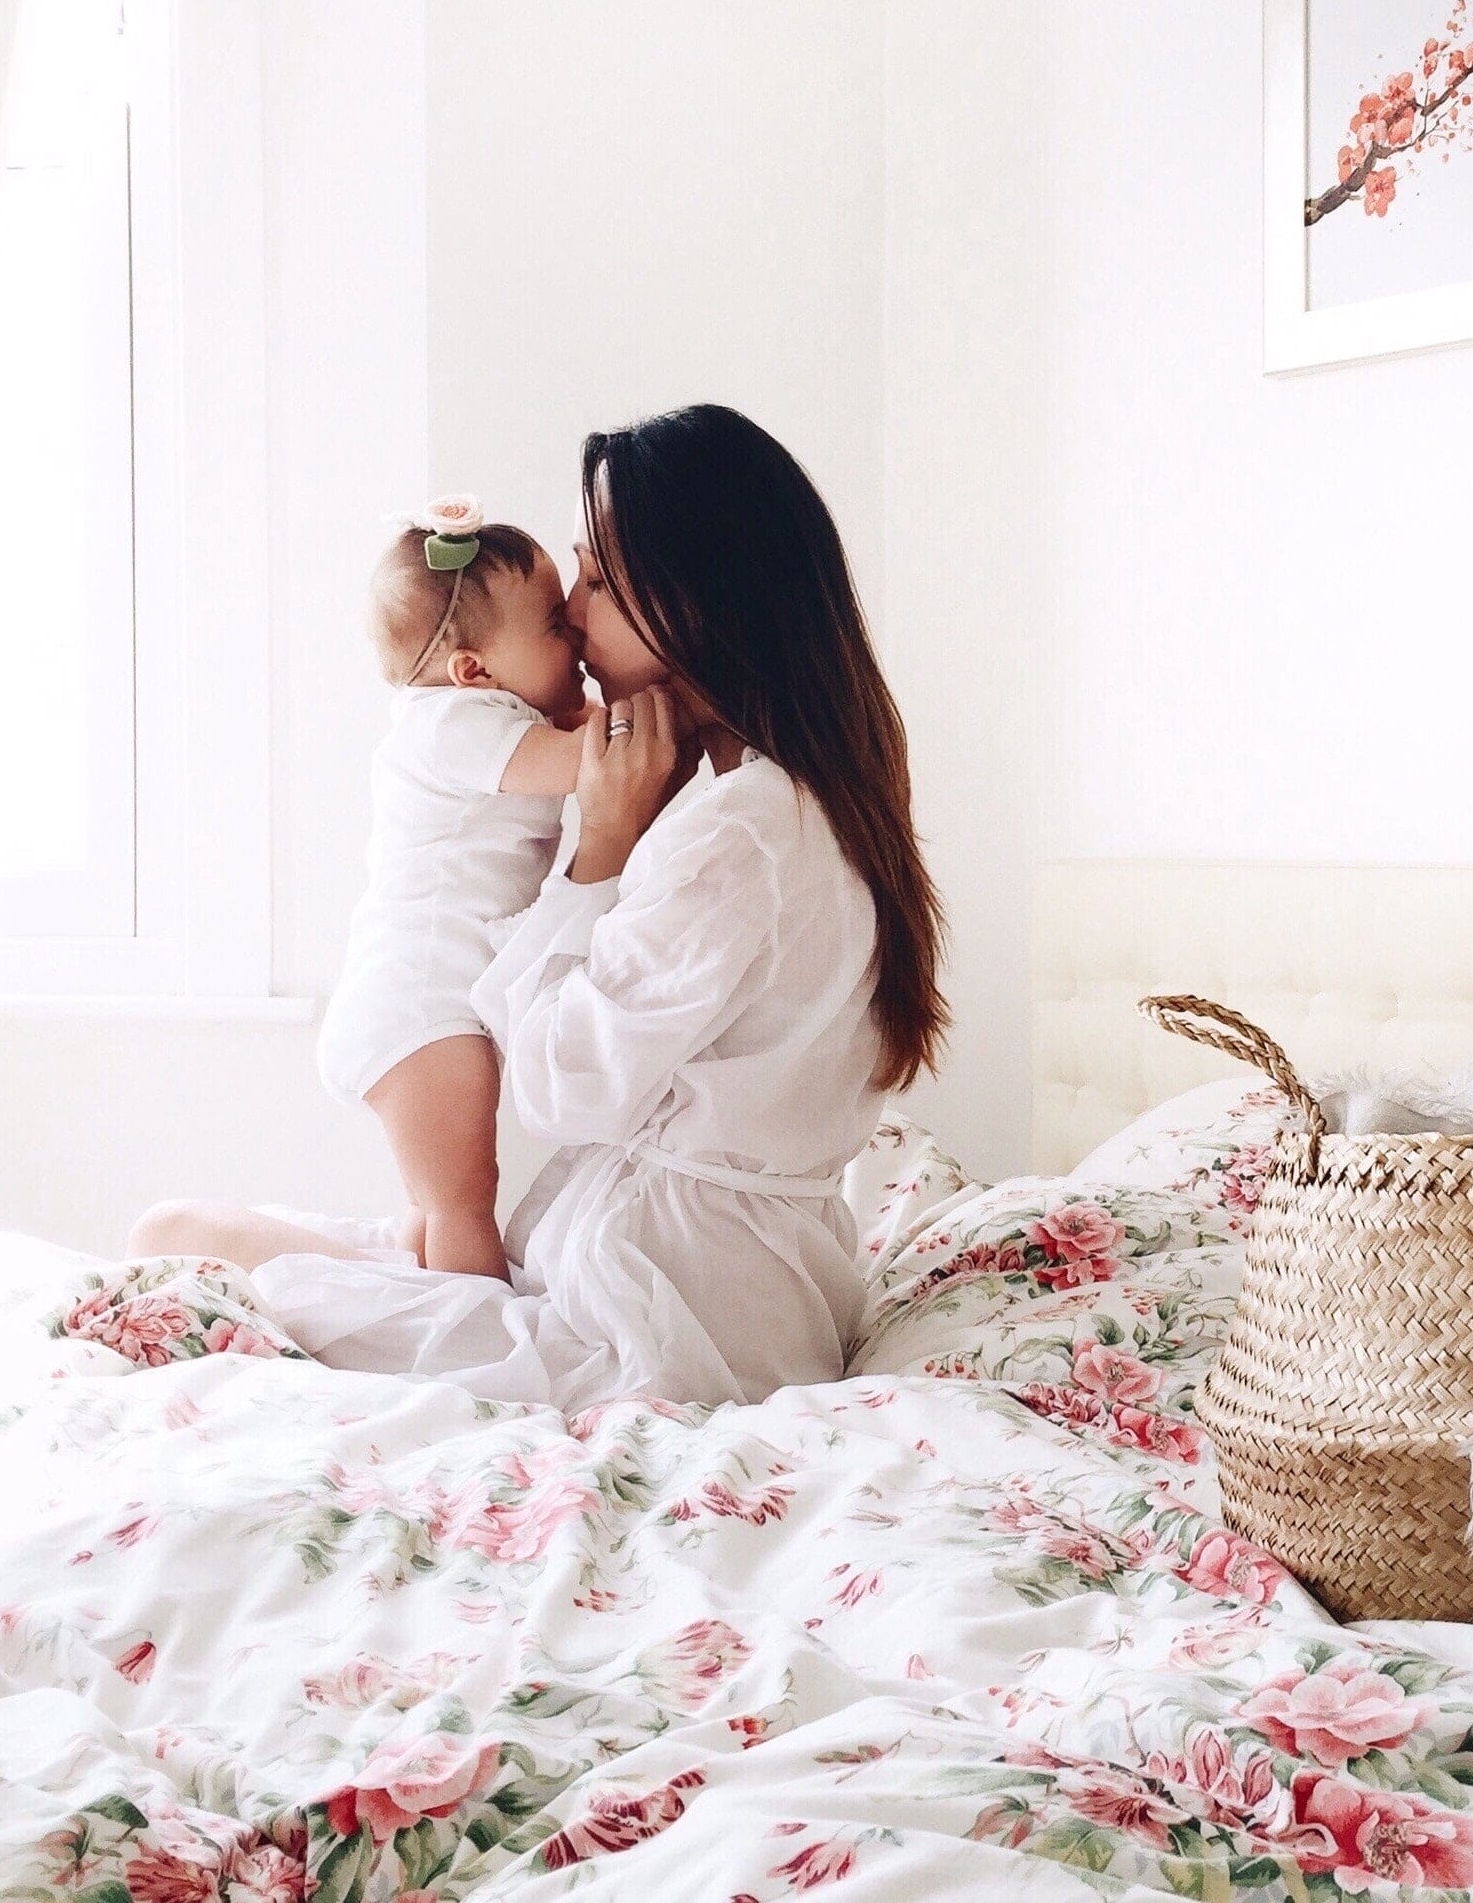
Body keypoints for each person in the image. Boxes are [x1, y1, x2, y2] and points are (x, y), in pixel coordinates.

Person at [128, 405, 947, 1409]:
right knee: (189, 1237)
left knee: (184, 1248)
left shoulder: (740, 833)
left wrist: (598, 854)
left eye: (596, 578)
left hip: (654, 1328)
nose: (571, 613)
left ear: (692, 593)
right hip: (680, 1286)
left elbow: (562, 1089)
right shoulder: (795, 798)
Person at [317, 497, 590, 1281]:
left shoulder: (485, 717)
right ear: (475, 672)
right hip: (419, 1007)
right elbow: (584, 765)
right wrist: (665, 707)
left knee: (434, 1210)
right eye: (553, 626)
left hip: (416, 1003)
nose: (574, 634)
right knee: (466, 1202)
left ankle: (416, 1326)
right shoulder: (454, 725)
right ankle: (486, 1352)